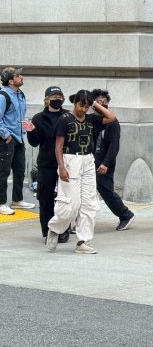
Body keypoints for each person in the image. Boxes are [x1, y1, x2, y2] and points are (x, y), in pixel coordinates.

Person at [45, 90, 116, 253]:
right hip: (70, 160)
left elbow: (111, 118)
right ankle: (55, 228)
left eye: (87, 106)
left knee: (89, 203)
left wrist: (95, 104)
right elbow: (58, 146)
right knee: (71, 204)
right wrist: (61, 167)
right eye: (81, 105)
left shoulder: (92, 119)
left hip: (88, 160)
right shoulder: (65, 120)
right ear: (74, 102)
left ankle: (83, 241)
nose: (83, 109)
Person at [26, 86, 70, 243]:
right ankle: (47, 231)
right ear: (47, 99)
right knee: (45, 198)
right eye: (54, 96)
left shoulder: (67, 116)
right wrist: (31, 131)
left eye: (60, 96)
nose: (57, 99)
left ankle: (63, 229)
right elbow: (34, 142)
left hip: (66, 164)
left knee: (64, 198)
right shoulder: (38, 118)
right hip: (46, 164)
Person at [90, 89, 136, 231]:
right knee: (84, 192)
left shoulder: (112, 122)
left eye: (104, 101)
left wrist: (106, 163)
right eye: (97, 101)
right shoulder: (91, 119)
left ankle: (125, 214)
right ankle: (81, 221)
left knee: (105, 190)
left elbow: (114, 145)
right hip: (89, 161)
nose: (101, 103)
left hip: (104, 163)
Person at [0, 67, 35, 215]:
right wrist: (6, 135)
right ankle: (1, 203)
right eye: (18, 75)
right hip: (7, 139)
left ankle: (17, 200)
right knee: (3, 172)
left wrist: (25, 126)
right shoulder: (3, 97)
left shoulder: (20, 95)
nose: (21, 77)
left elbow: (20, 115)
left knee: (20, 170)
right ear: (10, 80)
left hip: (19, 137)